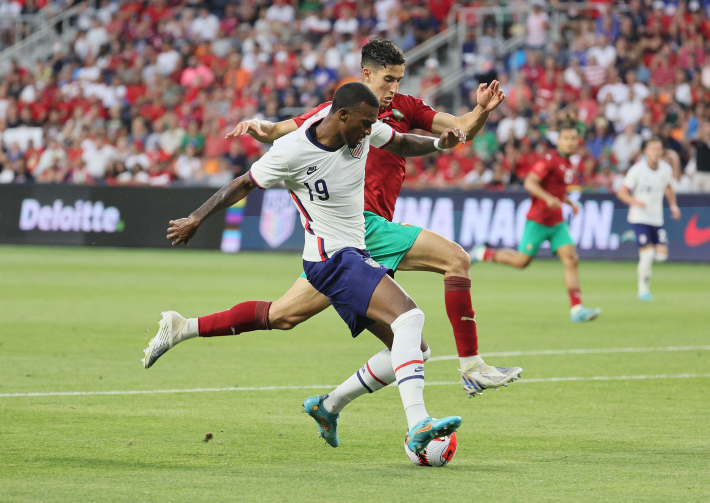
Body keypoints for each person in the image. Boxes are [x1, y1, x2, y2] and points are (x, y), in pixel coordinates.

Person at [147, 82, 464, 453]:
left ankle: (326, 405)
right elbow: (242, 184)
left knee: (409, 348)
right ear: (341, 115)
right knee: (408, 319)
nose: (368, 133)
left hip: (349, 255)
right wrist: (196, 218)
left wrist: (439, 144)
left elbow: (400, 142)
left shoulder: (362, 125)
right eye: (364, 125)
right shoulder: (291, 151)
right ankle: (418, 423)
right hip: (333, 259)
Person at [220, 37, 522, 397]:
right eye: (388, 79)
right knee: (456, 259)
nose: (395, 88)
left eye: (399, 80)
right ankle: (472, 366)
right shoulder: (338, 111)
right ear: (367, 73)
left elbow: (460, 128)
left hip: (350, 243)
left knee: (284, 316)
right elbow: (279, 131)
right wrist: (258, 124)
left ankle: (188, 329)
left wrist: (483, 110)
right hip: (361, 225)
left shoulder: (406, 107)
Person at [470, 115, 602, 323]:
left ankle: (577, 309)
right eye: (566, 138)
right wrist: (549, 198)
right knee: (521, 262)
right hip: (539, 220)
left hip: (557, 222)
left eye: (573, 139)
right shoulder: (549, 160)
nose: (570, 142)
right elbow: (530, 184)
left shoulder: (568, 163)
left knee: (571, 258)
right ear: (558, 140)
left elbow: (556, 189)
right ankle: (483, 252)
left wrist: (568, 202)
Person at [616, 137, 681, 301]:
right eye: (652, 149)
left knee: (661, 256)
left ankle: (632, 235)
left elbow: (669, 188)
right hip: (638, 216)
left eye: (659, 149)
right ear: (646, 152)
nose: (656, 152)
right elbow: (622, 192)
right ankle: (643, 289)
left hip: (656, 217)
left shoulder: (665, 169)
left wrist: (673, 205)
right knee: (648, 254)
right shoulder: (637, 170)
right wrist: (635, 201)